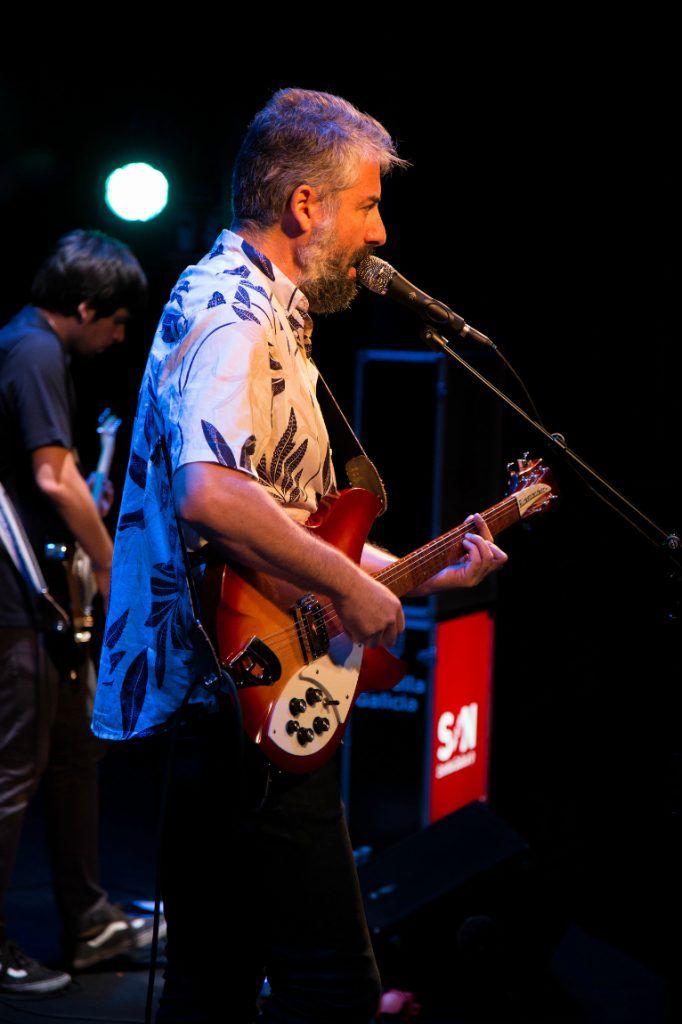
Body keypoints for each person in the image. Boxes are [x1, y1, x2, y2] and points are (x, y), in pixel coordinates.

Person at [92, 89, 508, 1023]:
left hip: (234, 690)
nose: (382, 232)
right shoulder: (234, 312)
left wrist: (410, 569)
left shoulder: (266, 311)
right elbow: (210, 495)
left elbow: (283, 518)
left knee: (217, 977)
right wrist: (351, 592)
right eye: (366, 204)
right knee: (331, 984)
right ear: (307, 207)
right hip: (232, 693)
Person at [0, 230, 149, 994]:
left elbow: (56, 485)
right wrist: (112, 559)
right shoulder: (31, 350)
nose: (119, 338)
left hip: (34, 596)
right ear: (86, 307)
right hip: (9, 597)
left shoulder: (34, 351)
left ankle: (90, 923)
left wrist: (87, 503)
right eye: (117, 323)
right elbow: (52, 479)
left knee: (71, 754)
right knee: (13, 768)